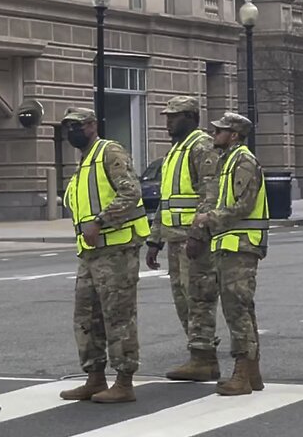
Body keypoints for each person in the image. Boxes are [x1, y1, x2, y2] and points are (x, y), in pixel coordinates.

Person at [59, 107, 150, 403]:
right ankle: (94, 377)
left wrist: (99, 220)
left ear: (92, 125)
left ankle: (124, 381)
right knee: (87, 316)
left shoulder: (109, 152)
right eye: (68, 127)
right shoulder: (84, 162)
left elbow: (131, 192)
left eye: (77, 126)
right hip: (90, 253)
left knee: (118, 316)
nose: (72, 132)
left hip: (116, 249)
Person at [190, 113, 269, 396]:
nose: (214, 134)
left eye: (220, 131)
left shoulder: (243, 161)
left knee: (237, 310)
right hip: (230, 244)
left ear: (234, 135)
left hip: (242, 245)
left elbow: (242, 205)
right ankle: (253, 373)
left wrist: (209, 217)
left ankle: (242, 374)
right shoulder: (229, 161)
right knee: (242, 308)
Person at [145, 96, 221, 382]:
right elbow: (166, 201)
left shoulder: (201, 147)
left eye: (173, 116)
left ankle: (203, 358)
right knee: (183, 299)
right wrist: (155, 240)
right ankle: (199, 355)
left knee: (199, 298)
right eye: (166, 116)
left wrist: (198, 234)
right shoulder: (176, 150)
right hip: (175, 239)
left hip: (194, 240)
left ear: (191, 117)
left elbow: (209, 195)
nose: (167, 121)